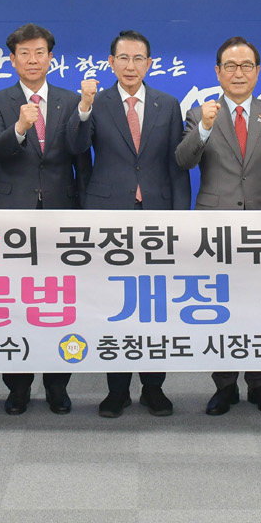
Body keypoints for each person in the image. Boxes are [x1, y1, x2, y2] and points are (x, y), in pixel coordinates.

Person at [67, 29, 191, 418]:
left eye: (138, 59)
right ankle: (117, 390)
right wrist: (84, 107)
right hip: (110, 217)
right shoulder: (95, 102)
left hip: (157, 215)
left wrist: (180, 219)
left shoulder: (167, 104)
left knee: (156, 305)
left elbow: (176, 165)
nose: (131, 66)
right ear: (111, 63)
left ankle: (154, 387)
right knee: (114, 304)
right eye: (123, 58)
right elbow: (76, 147)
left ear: (149, 64)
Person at [176, 36, 261, 416]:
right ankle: (224, 385)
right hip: (216, 230)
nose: (239, 73)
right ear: (218, 72)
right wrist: (205, 127)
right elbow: (183, 161)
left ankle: (260, 384)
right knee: (222, 307)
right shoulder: (200, 113)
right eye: (230, 66)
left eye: (246, 66)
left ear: (258, 72)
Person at [0, 23, 88, 415]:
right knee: (16, 303)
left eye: (39, 52)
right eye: (24, 53)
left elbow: (81, 159)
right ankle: (18, 387)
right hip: (13, 217)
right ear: (12, 60)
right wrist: (20, 127)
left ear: (51, 58)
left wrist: (85, 212)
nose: (32, 60)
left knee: (60, 302)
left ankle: (57, 385)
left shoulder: (70, 100)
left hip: (61, 214)